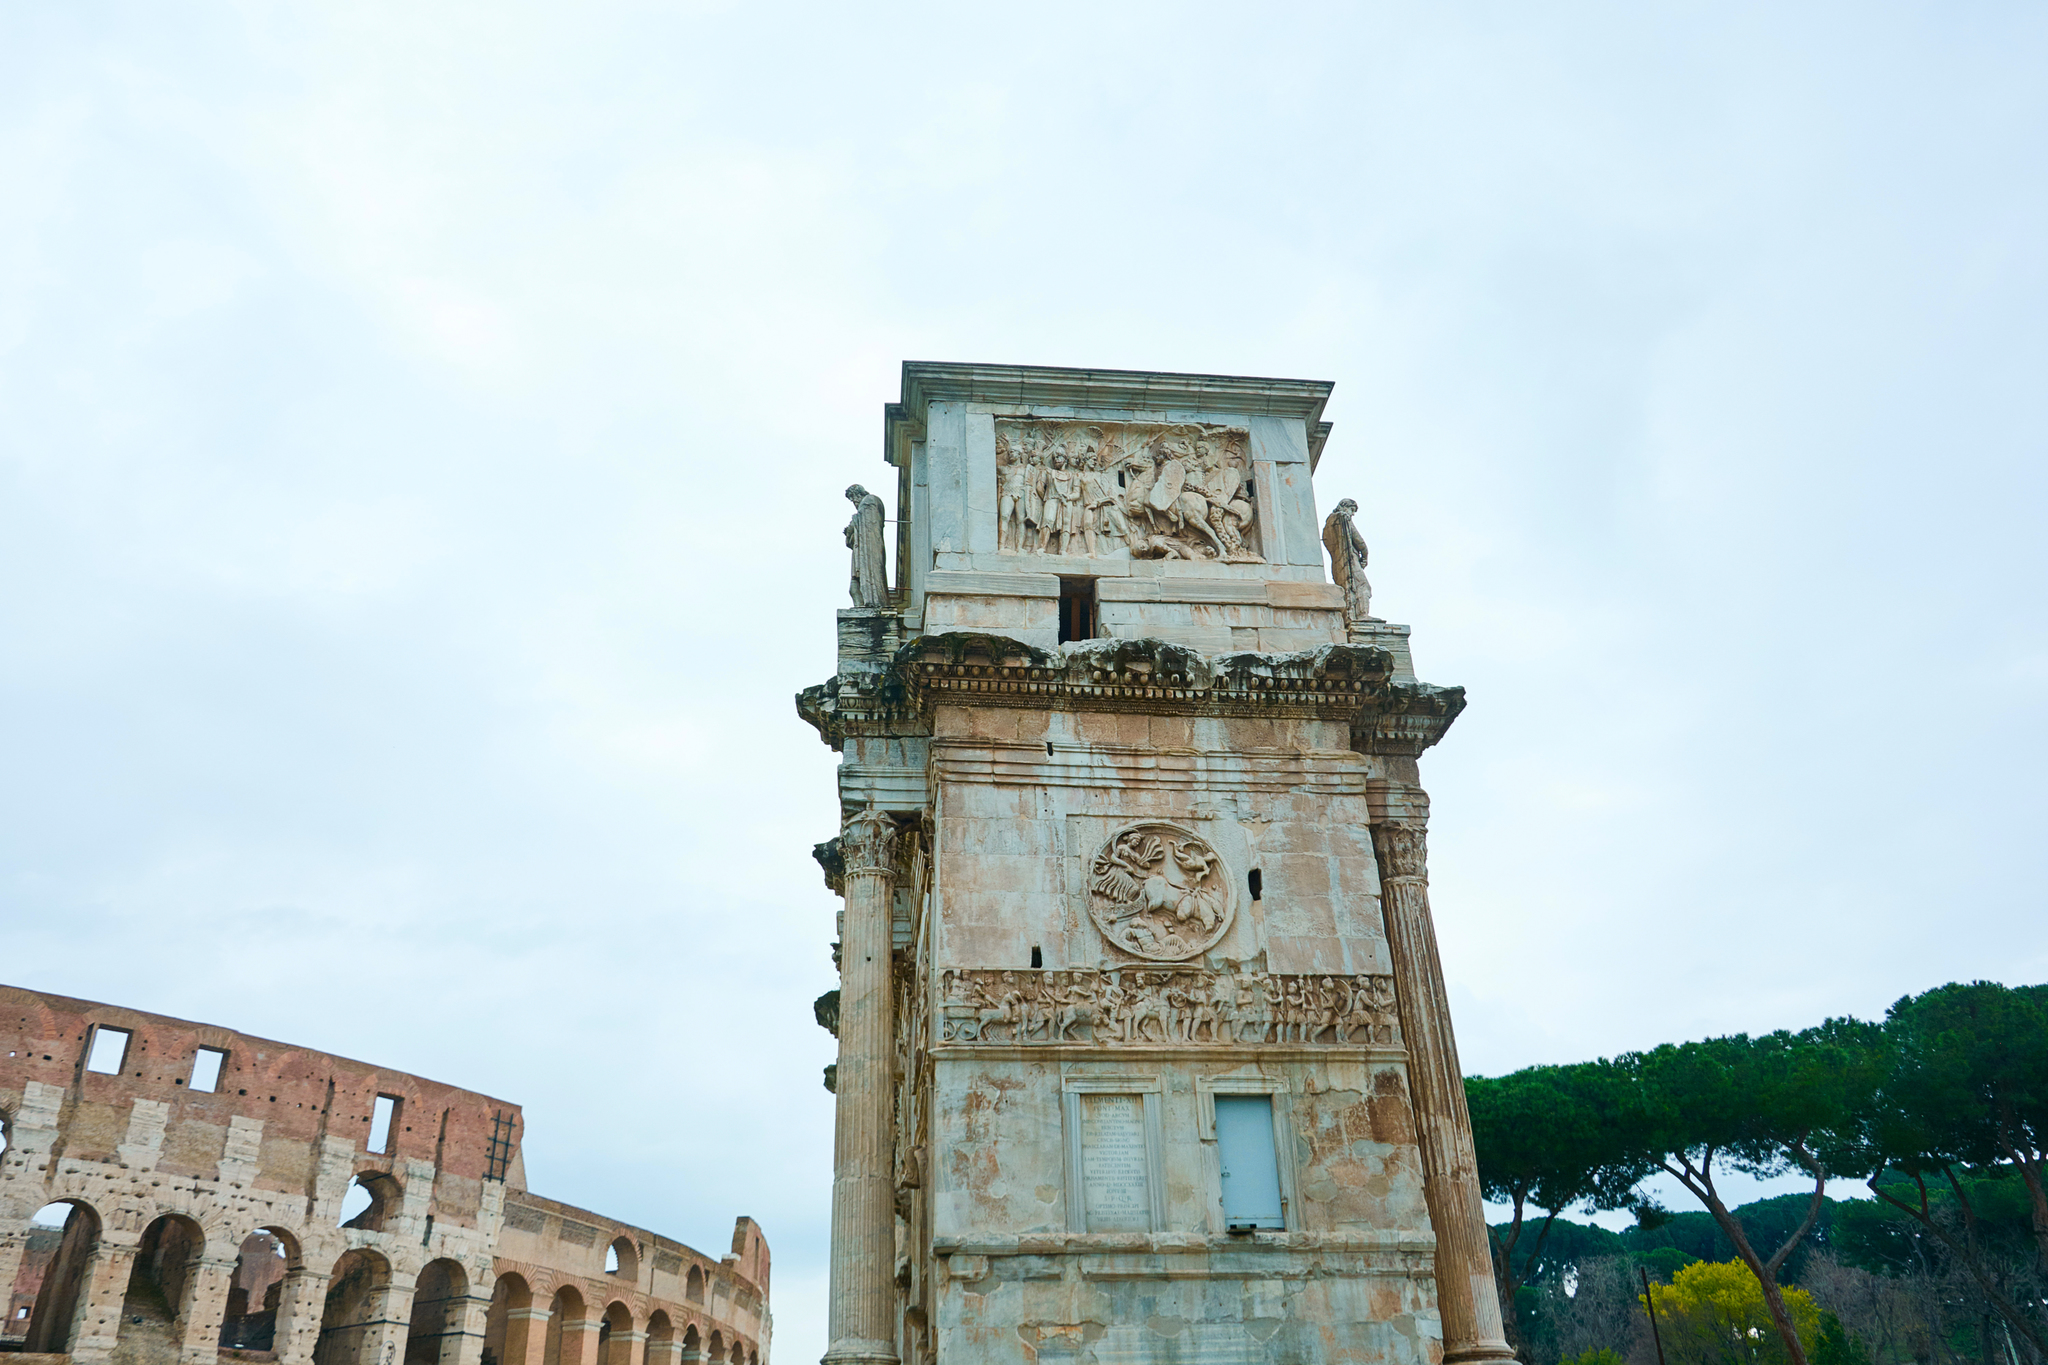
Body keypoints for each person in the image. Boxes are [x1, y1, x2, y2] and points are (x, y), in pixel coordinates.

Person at [1322, 497, 1371, 620]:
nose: (1352, 513)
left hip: (1338, 563)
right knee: (1363, 585)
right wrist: (1365, 556)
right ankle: (1362, 614)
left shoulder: (1329, 522)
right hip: (1350, 559)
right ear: (1344, 507)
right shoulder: (1344, 518)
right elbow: (1359, 541)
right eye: (1352, 509)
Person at [844, 484, 889, 608]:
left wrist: (852, 526)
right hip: (860, 551)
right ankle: (860, 607)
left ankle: (872, 603)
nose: (853, 501)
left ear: (859, 493)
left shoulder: (870, 500)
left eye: (853, 497)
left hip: (869, 551)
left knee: (863, 582)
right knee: (853, 587)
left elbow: (867, 524)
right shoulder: (864, 507)